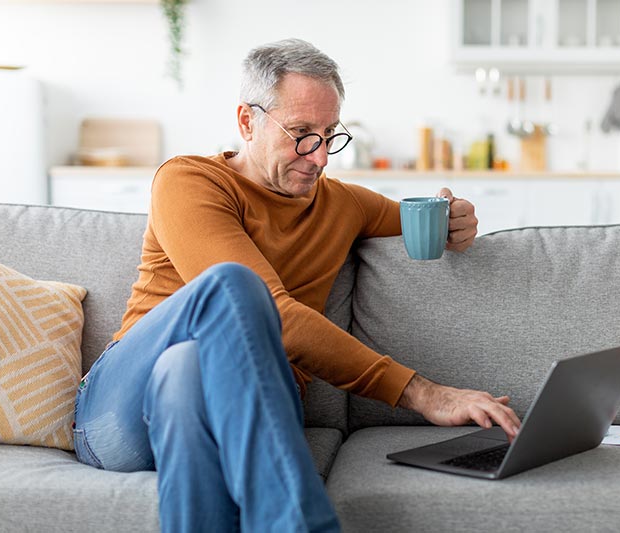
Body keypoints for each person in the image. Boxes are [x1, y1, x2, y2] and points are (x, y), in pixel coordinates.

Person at [72, 38, 521, 532]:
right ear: (247, 122)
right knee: (233, 287)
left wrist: (456, 221)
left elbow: (421, 216)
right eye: (303, 134)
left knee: (189, 369)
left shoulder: (343, 204)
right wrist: (423, 392)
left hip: (224, 402)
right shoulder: (189, 182)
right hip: (122, 410)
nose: (321, 156)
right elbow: (276, 315)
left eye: (330, 134)